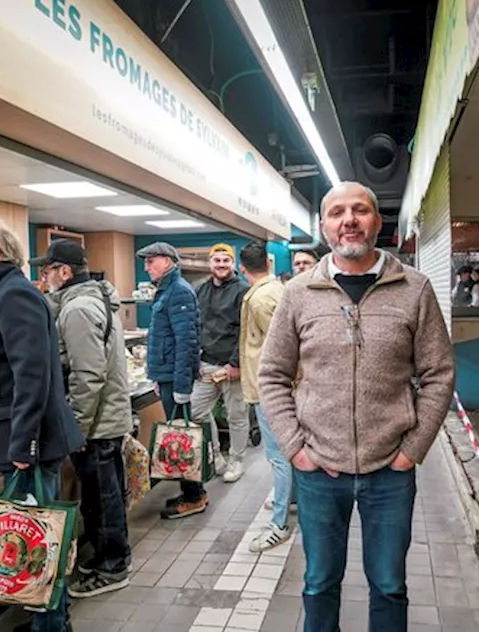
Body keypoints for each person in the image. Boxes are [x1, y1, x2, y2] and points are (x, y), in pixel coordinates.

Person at [259, 182, 455, 632]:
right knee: (318, 584)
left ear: (376, 221)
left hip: (390, 472)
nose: (349, 220)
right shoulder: (298, 293)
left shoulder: (415, 289)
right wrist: (294, 448)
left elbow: (439, 373)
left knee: (388, 586)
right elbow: (271, 374)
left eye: (360, 210)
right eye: (337, 212)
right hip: (318, 472)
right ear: (324, 226)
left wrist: (413, 449)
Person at [0, 216, 84, 632]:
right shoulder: (1, 294)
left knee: (38, 542)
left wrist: (23, 445)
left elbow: (33, 374)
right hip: (21, 438)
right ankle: (47, 621)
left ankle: (51, 626)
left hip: (30, 444)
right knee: (33, 540)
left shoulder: (14, 296)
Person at [31, 240, 133, 599]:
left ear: (65, 272)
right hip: (105, 418)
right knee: (104, 494)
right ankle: (106, 556)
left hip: (97, 423)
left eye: (47, 270)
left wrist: (76, 427)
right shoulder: (95, 299)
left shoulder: (77, 310)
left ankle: (113, 566)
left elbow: (88, 375)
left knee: (103, 498)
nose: (44, 278)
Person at [137, 241, 208, 519]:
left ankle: (194, 496)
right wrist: (157, 375)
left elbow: (185, 343)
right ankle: (193, 491)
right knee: (179, 437)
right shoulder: (167, 291)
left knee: (182, 440)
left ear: (168, 261)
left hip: (175, 381)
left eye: (151, 261)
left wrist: (180, 387)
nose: (147, 267)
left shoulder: (178, 292)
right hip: (166, 376)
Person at [236, 241, 291, 552]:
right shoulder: (278, 290)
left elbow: (280, 347)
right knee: (284, 452)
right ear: (268, 265)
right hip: (277, 386)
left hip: (268, 387)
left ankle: (280, 523)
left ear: (242, 269)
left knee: (279, 455)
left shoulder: (259, 299)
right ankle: (291, 502)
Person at [193, 243, 249, 483]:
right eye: (217, 260)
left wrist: (236, 363)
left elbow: (246, 331)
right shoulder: (200, 290)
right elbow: (195, 326)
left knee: (237, 415)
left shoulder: (243, 290)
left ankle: (237, 460)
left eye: (226, 260)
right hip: (206, 364)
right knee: (197, 411)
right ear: (210, 264)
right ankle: (216, 455)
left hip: (232, 366)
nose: (221, 265)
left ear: (233, 263)